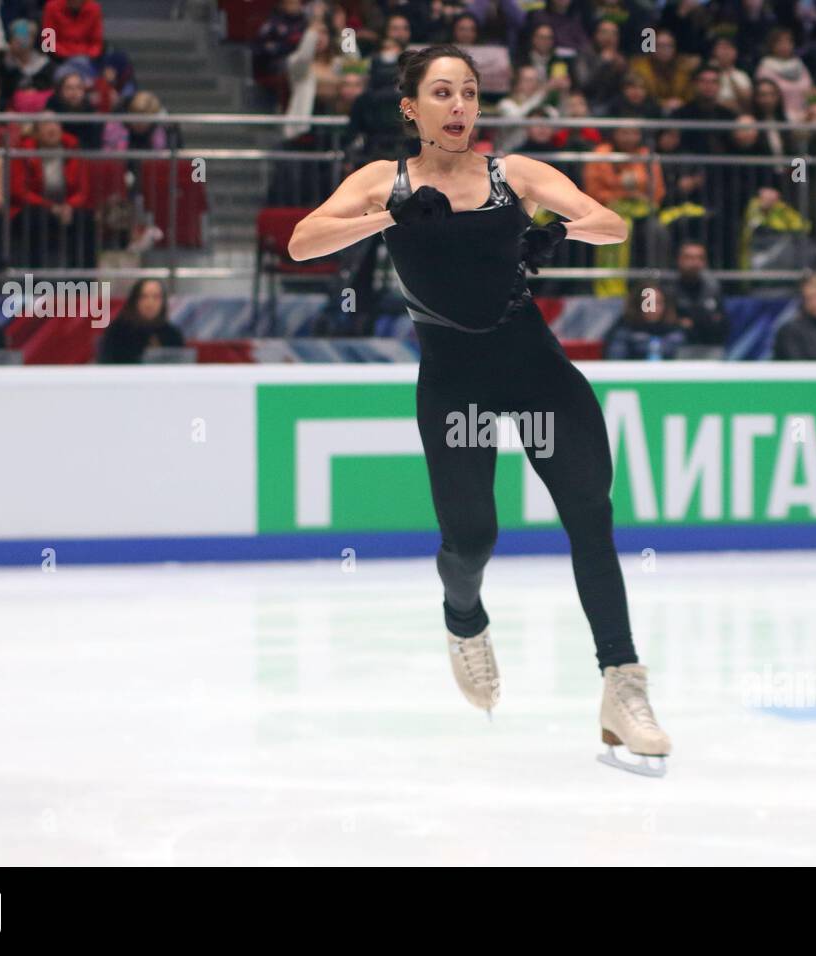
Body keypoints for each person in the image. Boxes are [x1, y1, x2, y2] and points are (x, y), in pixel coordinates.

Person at [287, 43, 670, 776]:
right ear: (411, 108)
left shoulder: (512, 174)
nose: (460, 105)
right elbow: (303, 242)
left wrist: (558, 232)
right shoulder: (381, 180)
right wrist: (388, 216)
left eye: (469, 91)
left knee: (589, 514)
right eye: (441, 92)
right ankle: (465, 622)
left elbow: (611, 222)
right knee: (471, 541)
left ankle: (622, 684)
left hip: (534, 370)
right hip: (454, 381)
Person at [97, 280, 183, 364]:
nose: (150, 303)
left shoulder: (172, 334)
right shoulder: (118, 332)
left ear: (163, 302)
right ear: (135, 300)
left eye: (156, 297)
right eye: (144, 296)